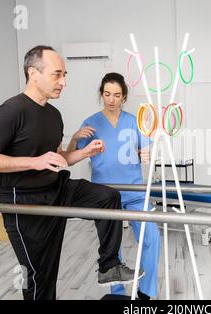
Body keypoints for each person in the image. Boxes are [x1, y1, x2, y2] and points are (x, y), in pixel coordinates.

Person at [0, 46, 141, 300]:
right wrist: (32, 162)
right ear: (33, 73)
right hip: (25, 204)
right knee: (40, 278)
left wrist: (84, 153)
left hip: (56, 188)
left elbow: (58, 159)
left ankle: (108, 266)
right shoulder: (11, 111)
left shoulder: (53, 114)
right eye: (57, 74)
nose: (63, 82)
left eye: (65, 75)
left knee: (108, 198)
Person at [68, 72, 160, 300]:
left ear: (124, 97)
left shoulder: (134, 121)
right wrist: (74, 137)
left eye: (117, 95)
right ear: (101, 94)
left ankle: (146, 292)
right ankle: (117, 293)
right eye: (107, 94)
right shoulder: (90, 124)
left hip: (136, 193)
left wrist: (147, 153)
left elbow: (146, 151)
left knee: (152, 238)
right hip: (106, 196)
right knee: (113, 249)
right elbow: (70, 155)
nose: (111, 99)